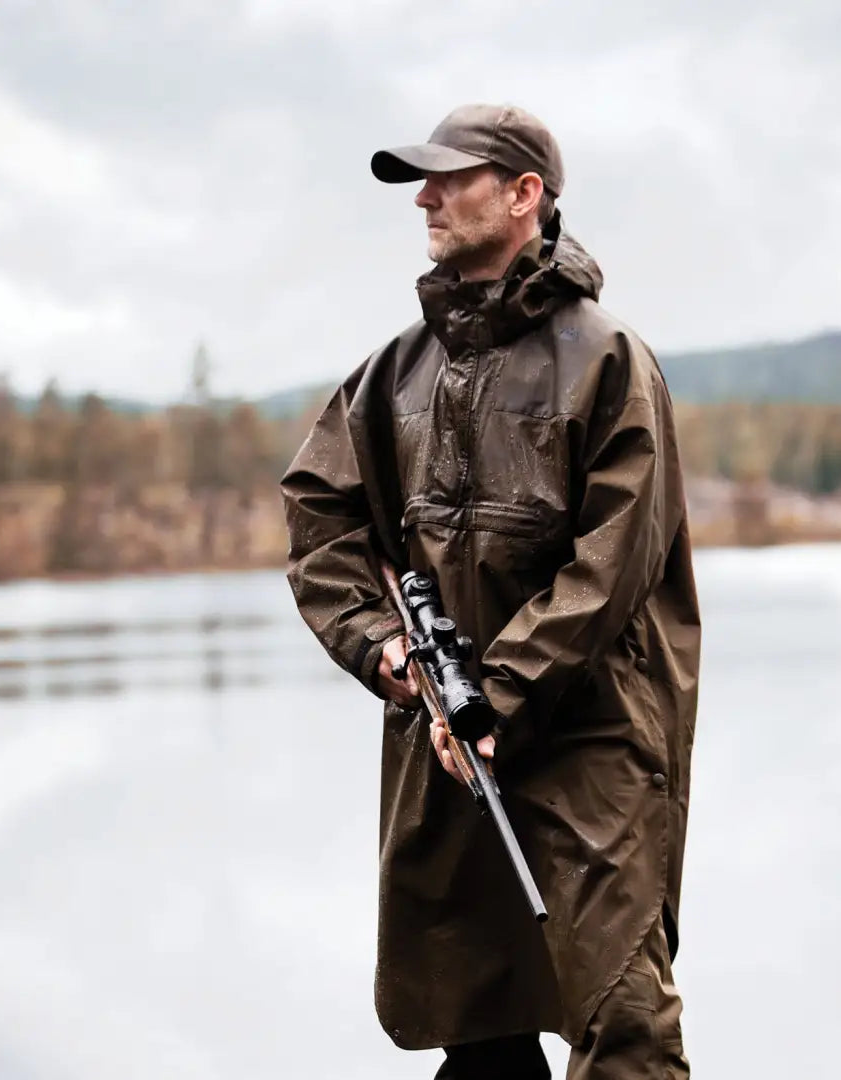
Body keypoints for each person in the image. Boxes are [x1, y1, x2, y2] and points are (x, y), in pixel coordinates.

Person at [281, 103, 701, 1080]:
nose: (424, 199)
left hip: (593, 745)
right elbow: (320, 522)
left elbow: (615, 563)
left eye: (449, 178)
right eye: (421, 183)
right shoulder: (389, 376)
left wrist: (496, 691)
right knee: (475, 1027)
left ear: (524, 196)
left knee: (621, 1023)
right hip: (447, 746)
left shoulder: (609, 360)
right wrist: (390, 656)